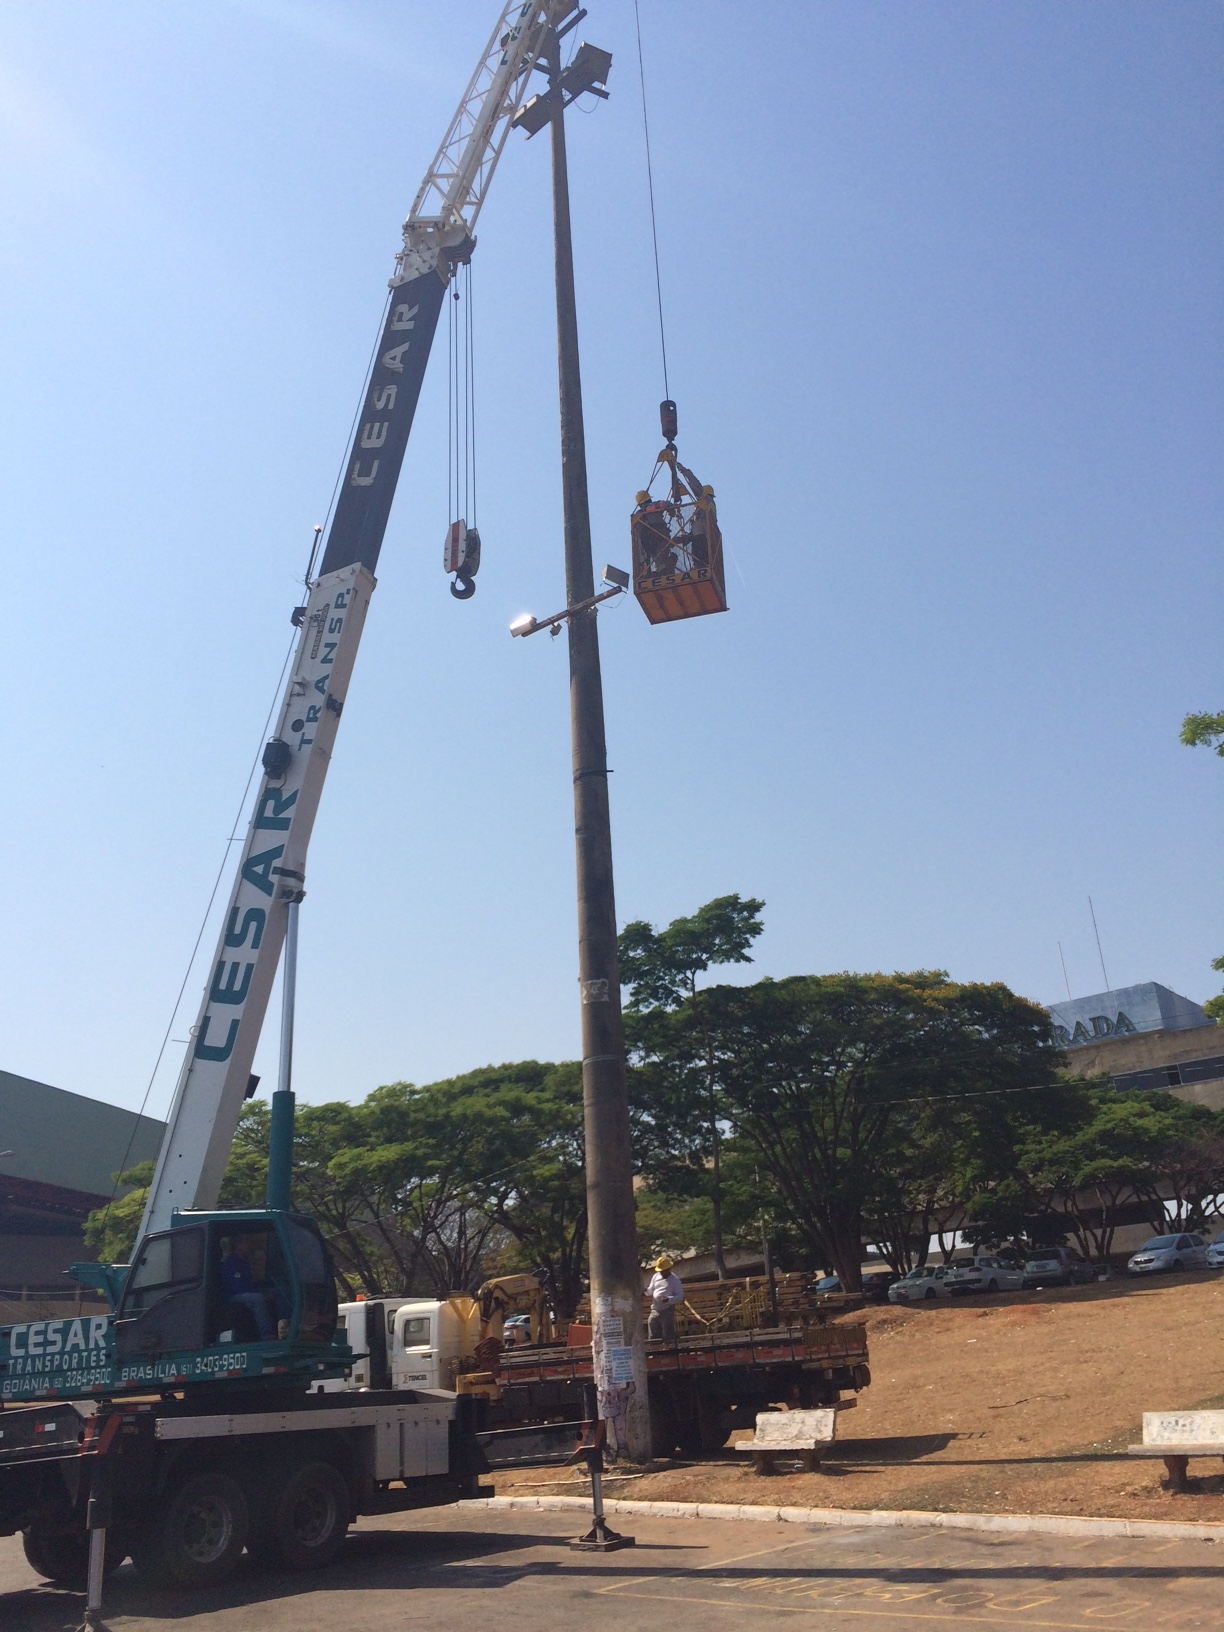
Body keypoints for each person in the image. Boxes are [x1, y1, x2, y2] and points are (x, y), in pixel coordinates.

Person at [220, 1236, 275, 1339]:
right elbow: (237, 1286)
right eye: (246, 1243)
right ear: (239, 1245)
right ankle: (266, 1334)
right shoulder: (231, 1263)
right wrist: (263, 1295)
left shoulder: (244, 1263)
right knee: (258, 1298)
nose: (249, 1246)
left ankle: (286, 1327)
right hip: (233, 1296)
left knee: (276, 1292)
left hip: (248, 1292)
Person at [646, 1255, 684, 1340]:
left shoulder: (675, 1281)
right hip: (655, 1309)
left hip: (667, 1310)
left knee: (668, 1334)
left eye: (663, 1271)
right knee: (653, 1333)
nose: (661, 1273)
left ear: (668, 1269)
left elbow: (680, 1296)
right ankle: (655, 1351)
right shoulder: (656, 1276)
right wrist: (645, 1292)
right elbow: (651, 1290)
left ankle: (669, 1352)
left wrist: (669, 1299)